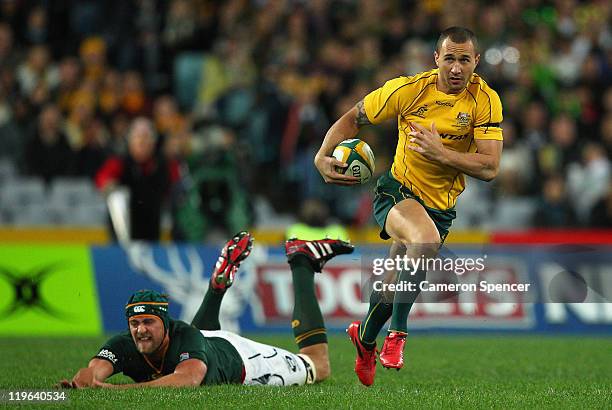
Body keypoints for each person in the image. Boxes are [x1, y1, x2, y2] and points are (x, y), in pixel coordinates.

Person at [314, 27, 503, 386]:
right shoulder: (409, 90)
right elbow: (354, 116)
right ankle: (397, 335)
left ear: (476, 61)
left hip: (441, 206)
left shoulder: (485, 100)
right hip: (397, 192)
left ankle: (365, 339)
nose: (457, 68)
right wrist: (322, 155)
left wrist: (441, 153)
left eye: (465, 60)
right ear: (437, 60)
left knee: (388, 289)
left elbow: (490, 167)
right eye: (450, 59)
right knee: (425, 240)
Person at [58, 232, 354, 388]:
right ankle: (217, 286)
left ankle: (302, 261)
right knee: (199, 336)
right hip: (206, 339)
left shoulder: (184, 334)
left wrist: (111, 392)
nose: (140, 329)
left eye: (148, 321)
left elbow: (187, 380)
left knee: (319, 365)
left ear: (166, 322)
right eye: (134, 322)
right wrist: (85, 378)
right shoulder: (126, 342)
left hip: (244, 363)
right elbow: (95, 369)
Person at [95, 117, 180, 241]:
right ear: (130, 140)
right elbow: (103, 178)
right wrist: (109, 185)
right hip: (125, 228)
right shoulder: (120, 161)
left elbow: (178, 181)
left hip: (153, 226)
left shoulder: (162, 164)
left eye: (146, 137)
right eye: (138, 137)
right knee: (117, 197)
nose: (142, 141)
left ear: (153, 142)